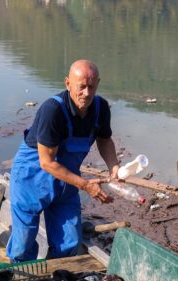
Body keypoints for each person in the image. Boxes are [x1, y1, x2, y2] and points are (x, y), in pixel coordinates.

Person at [7, 60, 120, 262]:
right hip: (31, 180)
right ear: (68, 84)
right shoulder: (53, 110)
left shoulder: (101, 108)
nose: (86, 93)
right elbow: (47, 162)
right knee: (22, 247)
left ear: (98, 84)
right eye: (81, 86)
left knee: (69, 244)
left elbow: (104, 139)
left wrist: (114, 167)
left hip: (66, 183)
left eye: (91, 86)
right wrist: (86, 185)